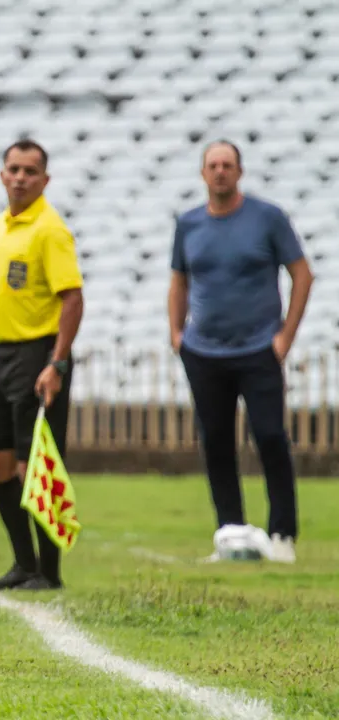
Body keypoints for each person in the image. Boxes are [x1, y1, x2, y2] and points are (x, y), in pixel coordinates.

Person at [168, 140, 313, 564]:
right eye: (212, 165)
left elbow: (302, 274)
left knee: (269, 436)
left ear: (240, 171)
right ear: (202, 173)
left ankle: (282, 534)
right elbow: (178, 280)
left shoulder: (267, 218)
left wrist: (285, 336)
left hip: (257, 348)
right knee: (215, 442)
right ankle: (230, 534)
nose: (220, 172)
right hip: (203, 351)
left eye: (227, 164)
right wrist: (176, 334)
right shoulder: (189, 224)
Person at [0, 139, 84, 591]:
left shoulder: (50, 229)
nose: (19, 177)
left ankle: (49, 573)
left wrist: (58, 362)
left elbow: (72, 297)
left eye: (30, 171)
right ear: (1, 174)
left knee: (36, 465)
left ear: (45, 180)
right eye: (13, 168)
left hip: (38, 354)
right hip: (3, 355)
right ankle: (23, 564)